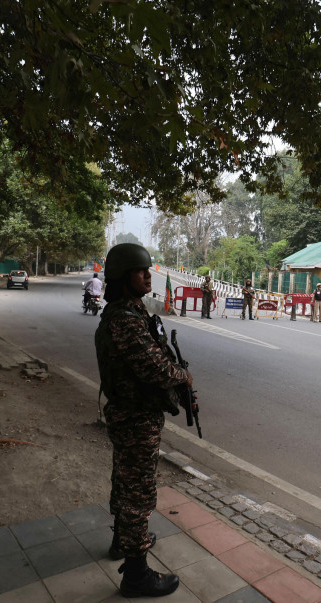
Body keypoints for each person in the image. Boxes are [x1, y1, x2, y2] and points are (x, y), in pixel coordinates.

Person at [95, 243, 192, 598]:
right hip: (135, 419)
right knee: (138, 492)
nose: (147, 276)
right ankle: (136, 575)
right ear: (123, 278)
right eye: (140, 271)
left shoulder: (132, 313)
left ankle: (124, 540)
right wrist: (182, 377)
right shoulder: (124, 320)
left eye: (147, 270)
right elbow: (156, 368)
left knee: (125, 482)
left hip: (133, 416)